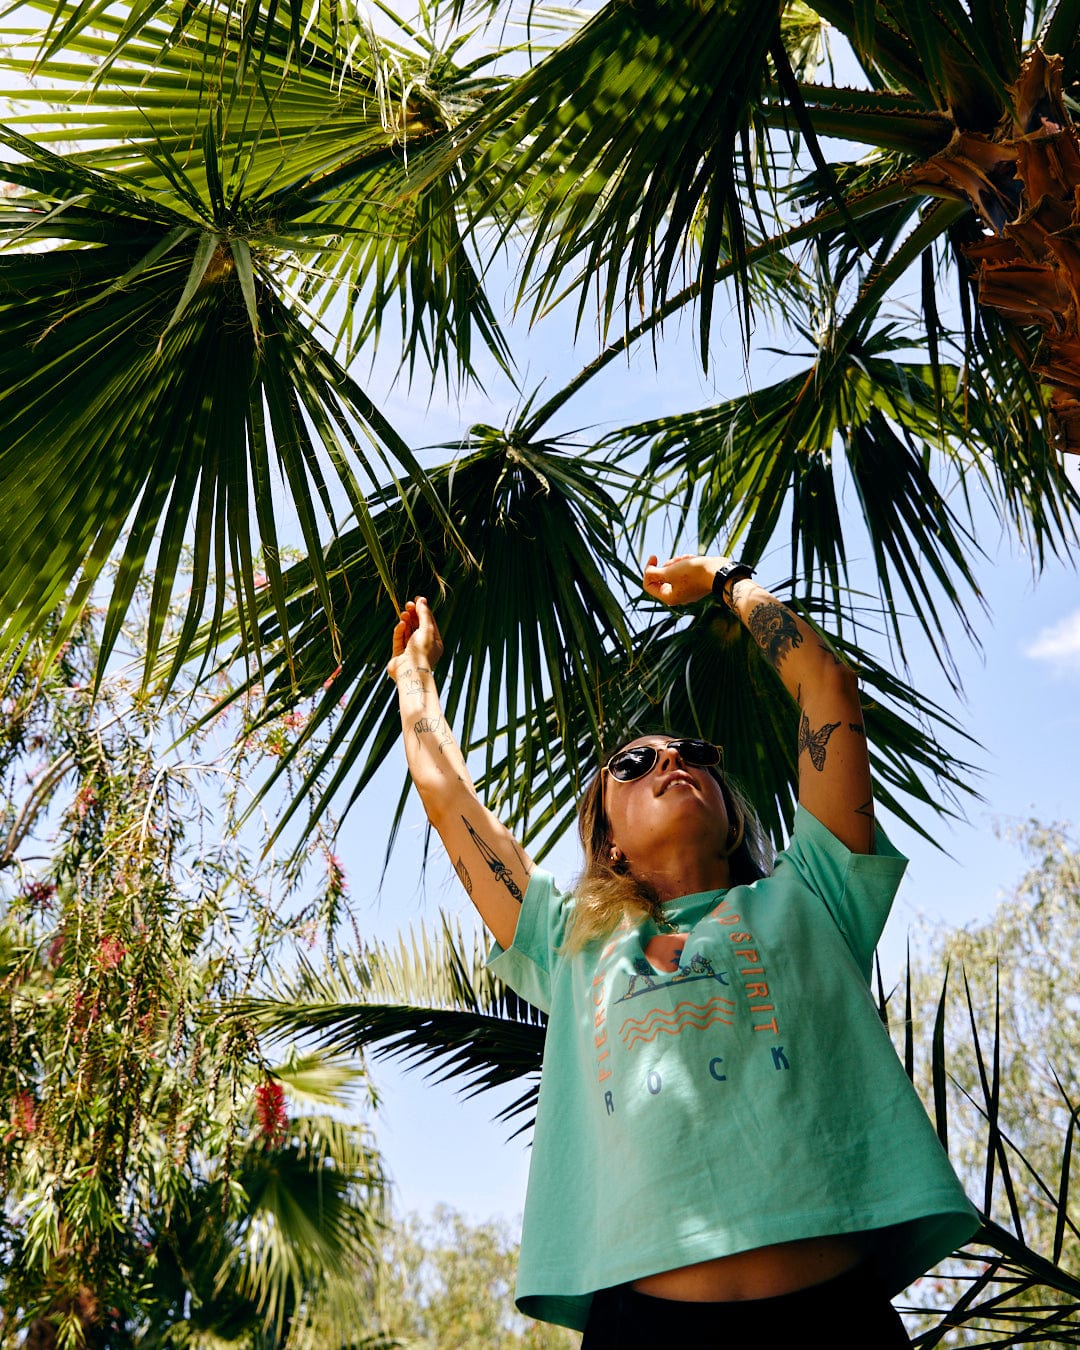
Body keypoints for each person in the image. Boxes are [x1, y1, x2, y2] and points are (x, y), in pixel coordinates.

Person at [388, 554, 978, 1348]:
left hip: (835, 1318)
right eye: (633, 764)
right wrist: (412, 677)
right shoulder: (570, 941)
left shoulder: (814, 893)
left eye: (694, 753)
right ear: (612, 845)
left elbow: (827, 690)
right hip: (645, 1330)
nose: (671, 761)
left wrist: (728, 583)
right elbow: (448, 797)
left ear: (730, 812)